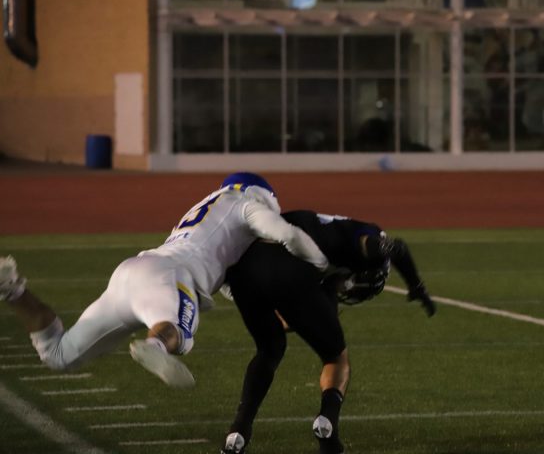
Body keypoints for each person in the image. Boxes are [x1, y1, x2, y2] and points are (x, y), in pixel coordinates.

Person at [0, 173, 328, 388]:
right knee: (181, 336)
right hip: (169, 278)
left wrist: (276, 315)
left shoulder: (208, 211)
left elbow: (230, 286)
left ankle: (12, 288)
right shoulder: (245, 205)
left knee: (58, 355)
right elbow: (288, 235)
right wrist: (321, 267)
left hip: (134, 272)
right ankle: (155, 345)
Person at [220, 209, 436, 454]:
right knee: (335, 357)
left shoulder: (328, 239)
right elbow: (396, 248)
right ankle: (327, 424)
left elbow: (299, 311)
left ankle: (238, 431)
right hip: (287, 267)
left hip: (244, 272)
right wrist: (416, 286)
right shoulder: (363, 239)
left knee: (270, 349)